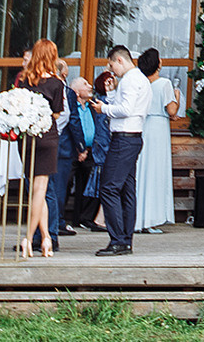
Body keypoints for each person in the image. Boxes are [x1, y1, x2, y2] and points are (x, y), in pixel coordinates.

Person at [96, 45, 150, 256]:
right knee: (127, 190)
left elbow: (125, 110)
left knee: (109, 187)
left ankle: (118, 239)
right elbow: (126, 107)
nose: (112, 71)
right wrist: (111, 94)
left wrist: (103, 108)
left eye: (111, 65)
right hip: (133, 137)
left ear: (119, 60)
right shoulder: (140, 79)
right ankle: (126, 240)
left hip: (123, 139)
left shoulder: (129, 80)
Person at [19, 40, 67, 257]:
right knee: (41, 190)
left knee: (37, 191)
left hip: (29, 137)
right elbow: (57, 113)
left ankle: (45, 237)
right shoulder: (57, 83)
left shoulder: (24, 80)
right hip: (47, 136)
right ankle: (29, 238)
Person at [55, 72, 107, 233]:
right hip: (73, 150)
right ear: (76, 91)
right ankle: (60, 219)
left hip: (91, 151)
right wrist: (80, 148)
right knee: (65, 183)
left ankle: (83, 218)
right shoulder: (72, 106)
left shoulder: (92, 107)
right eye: (85, 84)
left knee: (89, 184)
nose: (90, 86)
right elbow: (73, 125)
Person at [134, 47, 177, 232]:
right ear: (158, 64)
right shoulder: (164, 83)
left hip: (143, 125)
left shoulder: (141, 84)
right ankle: (151, 219)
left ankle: (138, 218)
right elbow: (172, 110)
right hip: (159, 128)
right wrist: (176, 96)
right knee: (156, 171)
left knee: (143, 170)